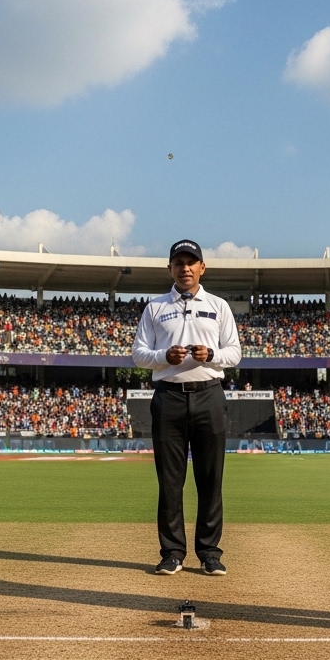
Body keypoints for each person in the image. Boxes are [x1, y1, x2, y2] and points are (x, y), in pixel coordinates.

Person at [132, 240, 241, 576]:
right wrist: (165, 356)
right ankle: (172, 553)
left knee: (210, 479)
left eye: (191, 262)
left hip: (209, 393)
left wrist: (212, 355)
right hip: (169, 397)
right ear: (170, 269)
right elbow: (139, 354)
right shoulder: (154, 308)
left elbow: (234, 353)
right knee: (170, 480)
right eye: (179, 262)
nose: (185, 268)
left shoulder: (219, 306)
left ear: (202, 268)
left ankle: (209, 553)